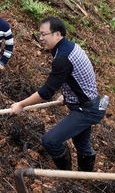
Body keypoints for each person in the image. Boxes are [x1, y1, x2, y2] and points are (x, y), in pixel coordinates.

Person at [10, 17, 107, 172]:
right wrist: (68, 95)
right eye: (39, 34)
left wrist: (21, 104)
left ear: (57, 34)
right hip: (87, 102)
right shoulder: (70, 47)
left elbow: (46, 92)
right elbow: (74, 76)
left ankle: (66, 174)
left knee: (50, 141)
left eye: (44, 34)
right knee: (81, 143)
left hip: (86, 109)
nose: (41, 38)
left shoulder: (62, 57)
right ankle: (85, 177)